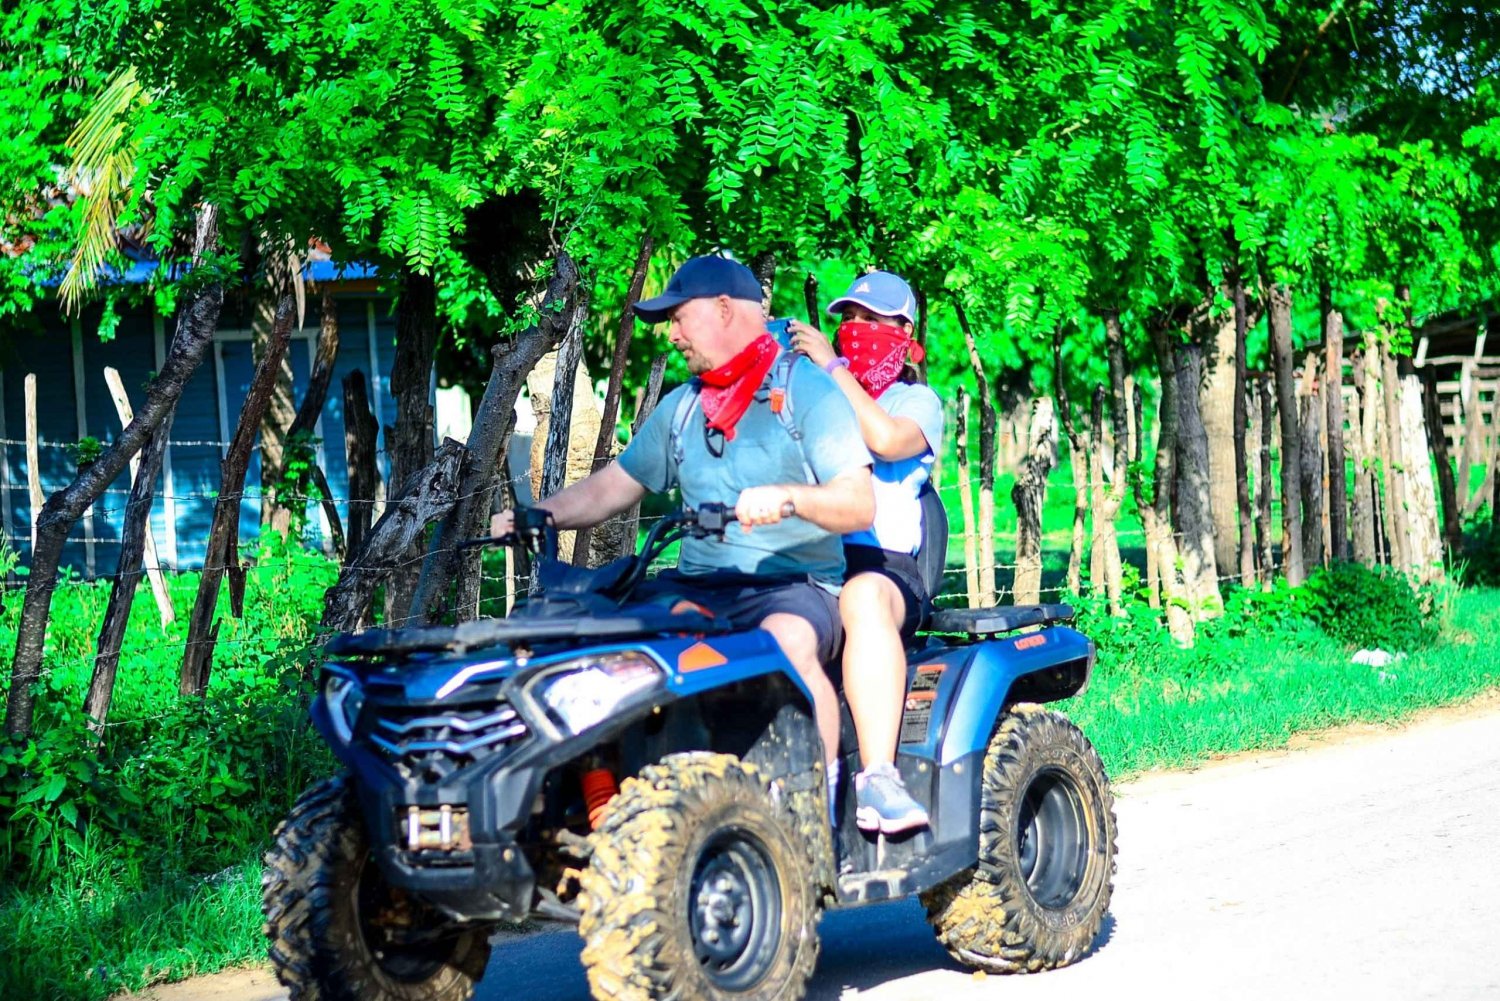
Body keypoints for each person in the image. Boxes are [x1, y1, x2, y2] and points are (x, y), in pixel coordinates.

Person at [491, 255, 875, 813]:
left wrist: (791, 498)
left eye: (678, 318)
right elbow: (612, 487)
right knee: (589, 638)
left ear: (724, 309)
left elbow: (858, 504)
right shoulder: (683, 408)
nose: (671, 335)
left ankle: (817, 807)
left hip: (796, 586)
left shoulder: (806, 392)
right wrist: (543, 515)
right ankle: (595, 800)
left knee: (785, 644)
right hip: (699, 589)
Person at [785, 270, 943, 835]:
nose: (854, 329)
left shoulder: (917, 401)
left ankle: (878, 776)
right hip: (812, 563)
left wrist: (833, 368)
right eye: (847, 319)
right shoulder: (818, 399)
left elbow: (883, 439)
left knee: (861, 597)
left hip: (884, 570)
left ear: (904, 331)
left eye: (870, 320)